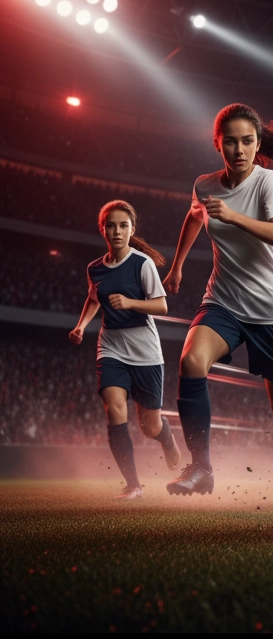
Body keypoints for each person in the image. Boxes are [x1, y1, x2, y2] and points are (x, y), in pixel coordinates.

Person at [162, 103, 273, 505]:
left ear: (257, 143)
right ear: (218, 144)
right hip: (224, 302)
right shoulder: (205, 184)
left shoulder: (269, 182)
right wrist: (178, 264)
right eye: (230, 142)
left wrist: (233, 217)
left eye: (247, 141)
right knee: (190, 361)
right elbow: (195, 216)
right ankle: (202, 467)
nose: (239, 150)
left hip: (271, 312)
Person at [69, 200, 180, 498]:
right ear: (103, 229)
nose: (117, 231)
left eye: (123, 225)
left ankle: (166, 437)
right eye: (111, 225)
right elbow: (94, 298)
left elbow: (162, 305)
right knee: (114, 409)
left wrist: (130, 302)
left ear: (132, 229)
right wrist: (81, 326)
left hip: (145, 351)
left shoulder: (142, 263)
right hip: (111, 347)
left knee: (149, 426)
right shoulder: (94, 268)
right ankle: (133, 485)